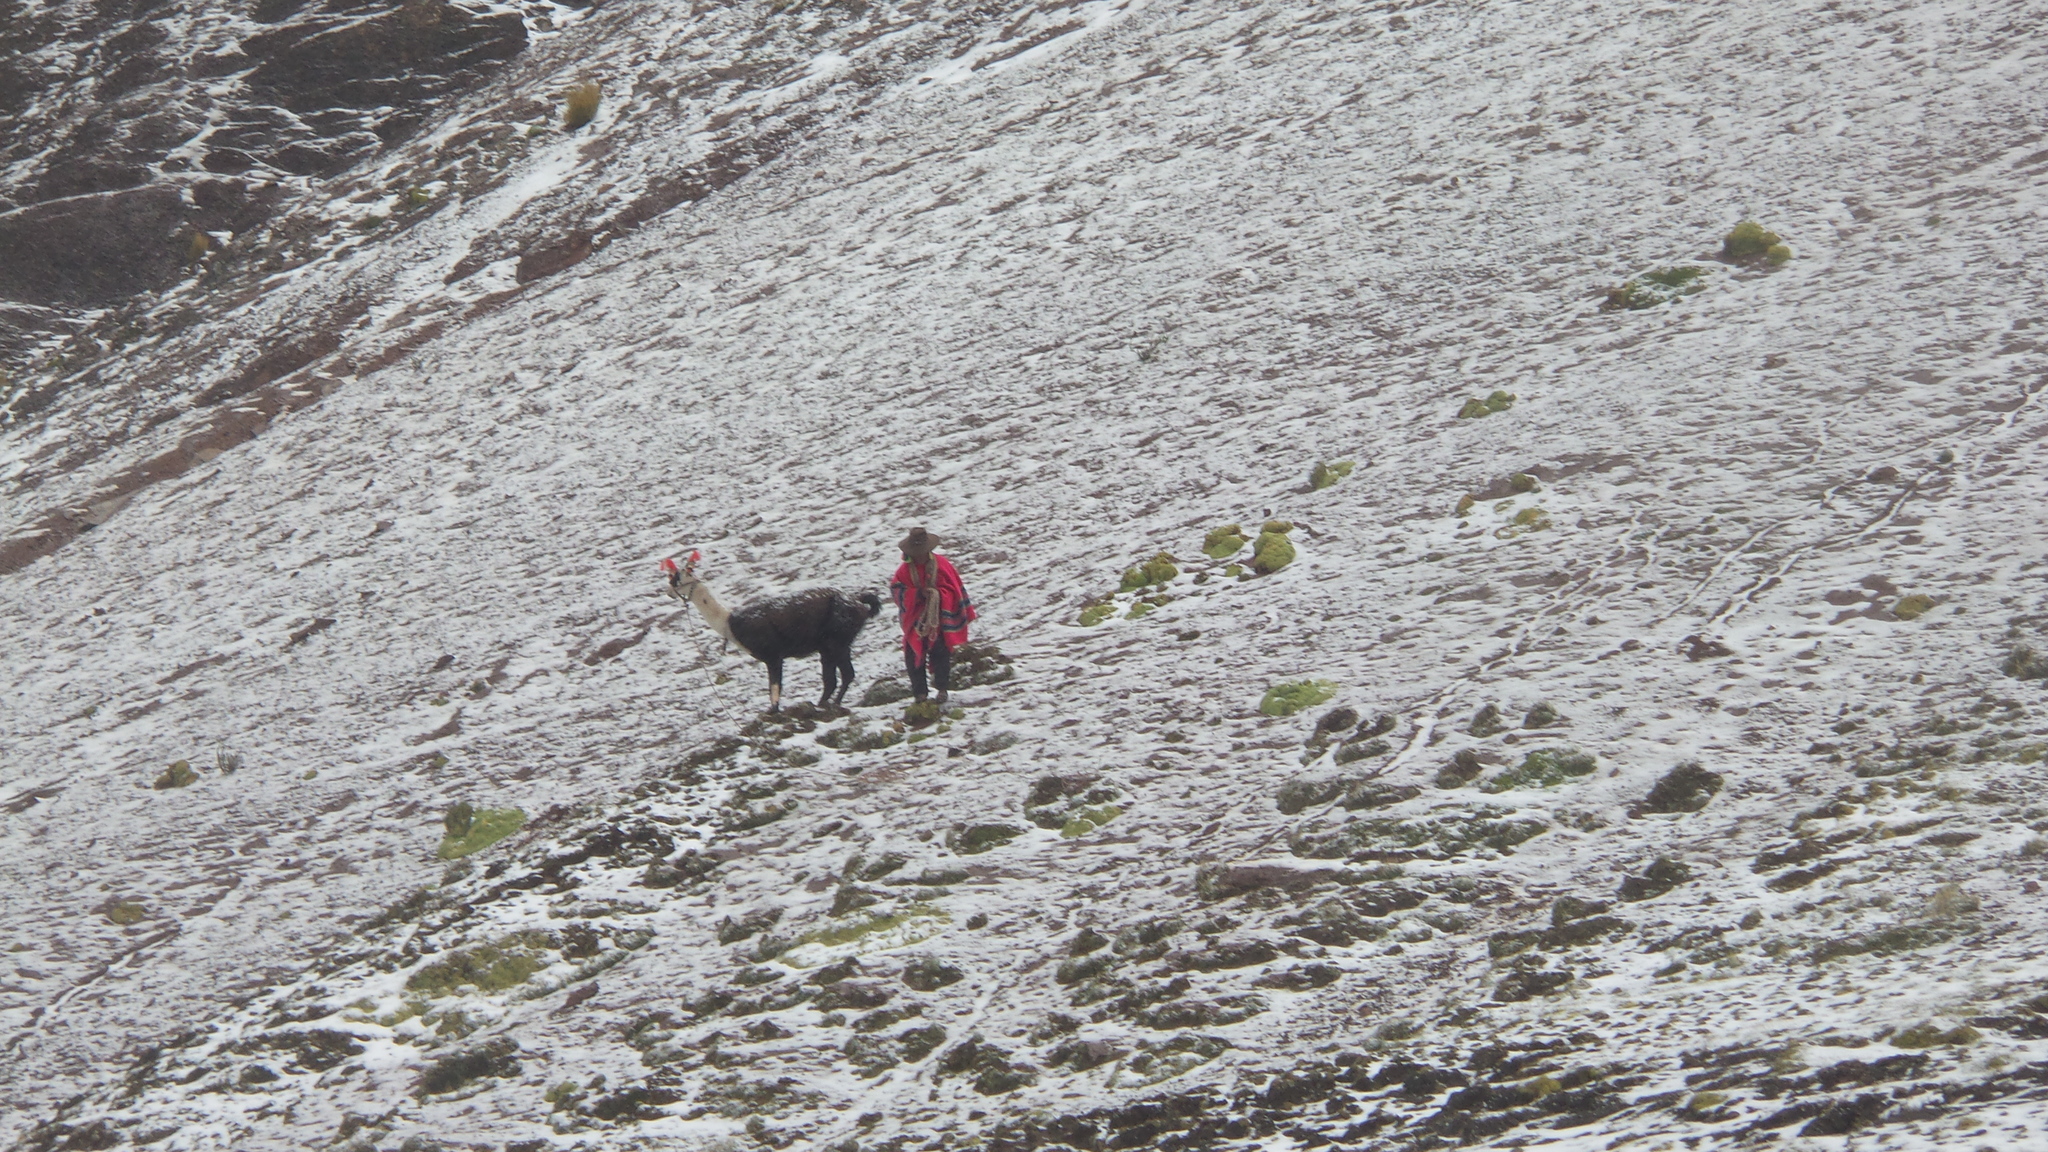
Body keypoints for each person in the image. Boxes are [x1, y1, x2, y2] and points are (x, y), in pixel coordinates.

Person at [889, 527, 975, 706]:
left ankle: (942, 688)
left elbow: (954, 589)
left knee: (941, 652)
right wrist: (919, 594)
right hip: (915, 621)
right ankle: (920, 693)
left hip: (939, 619)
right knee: (913, 654)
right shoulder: (904, 571)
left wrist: (938, 595)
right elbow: (898, 591)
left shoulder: (942, 565)